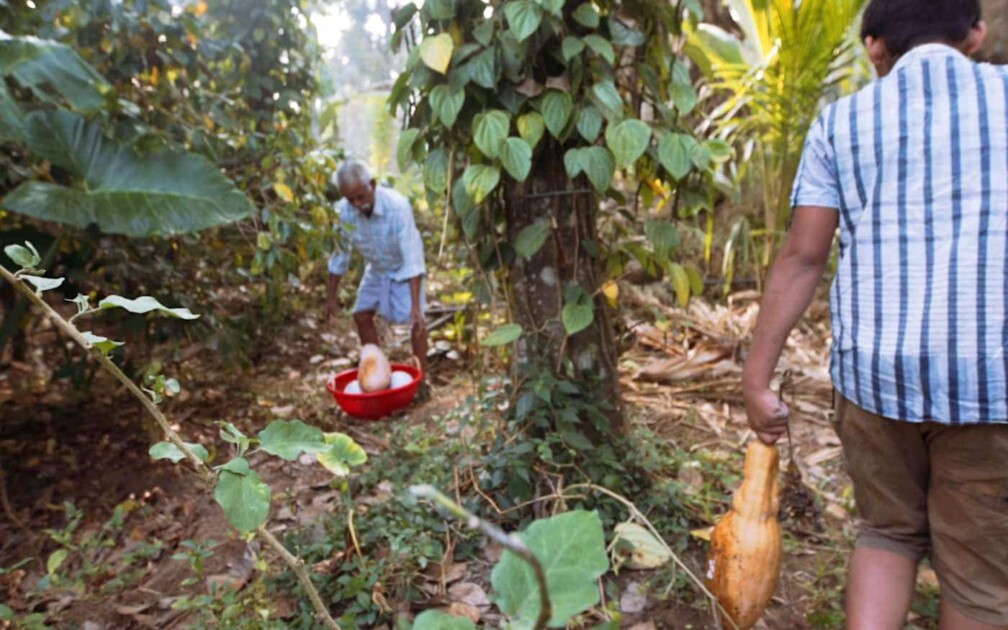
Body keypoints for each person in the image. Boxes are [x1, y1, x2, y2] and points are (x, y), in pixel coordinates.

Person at [741, 1, 1007, 628]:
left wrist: (756, 379)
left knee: (886, 532)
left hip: (875, 382)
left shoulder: (842, 122)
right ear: (976, 33)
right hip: (993, 384)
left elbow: (803, 258)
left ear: (874, 49)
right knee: (979, 582)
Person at [325, 160, 429, 389]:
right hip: (376, 270)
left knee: (417, 323)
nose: (356, 204)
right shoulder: (344, 212)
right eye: (350, 199)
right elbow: (340, 256)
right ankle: (376, 374)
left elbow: (412, 257)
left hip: (403, 268)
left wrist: (414, 307)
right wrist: (331, 298)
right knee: (360, 315)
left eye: (360, 197)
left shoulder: (397, 207)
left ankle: (423, 382)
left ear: (372, 184)